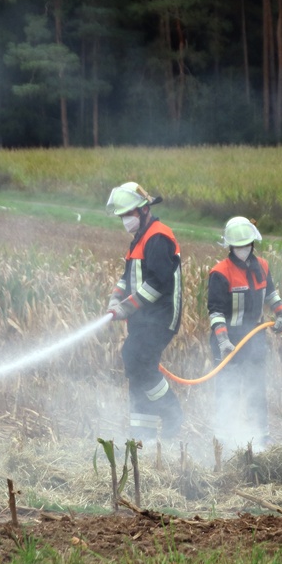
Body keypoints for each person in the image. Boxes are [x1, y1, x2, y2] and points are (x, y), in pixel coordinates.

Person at [105, 182, 185, 442]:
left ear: (143, 210)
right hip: (142, 319)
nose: (125, 220)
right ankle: (143, 438)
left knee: (136, 359)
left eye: (128, 214)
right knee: (137, 368)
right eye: (122, 216)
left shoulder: (158, 237)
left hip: (160, 318)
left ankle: (172, 410)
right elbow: (128, 276)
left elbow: (159, 283)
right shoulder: (139, 240)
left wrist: (125, 308)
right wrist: (115, 296)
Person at [207, 216, 282, 450]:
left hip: (255, 338)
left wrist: (281, 312)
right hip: (228, 342)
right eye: (238, 245)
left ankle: (261, 438)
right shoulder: (220, 273)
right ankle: (223, 441)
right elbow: (215, 311)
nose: (243, 249)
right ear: (230, 247)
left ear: (252, 244)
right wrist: (223, 340)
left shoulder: (262, 266)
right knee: (227, 390)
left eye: (246, 244)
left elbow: (271, 293)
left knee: (256, 388)